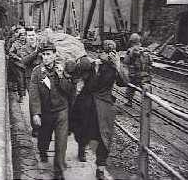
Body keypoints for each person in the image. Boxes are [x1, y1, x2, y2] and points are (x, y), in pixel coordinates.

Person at [29, 41, 74, 180]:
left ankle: (58, 171)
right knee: (44, 138)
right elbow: (34, 94)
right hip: (46, 111)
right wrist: (36, 113)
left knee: (61, 142)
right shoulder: (37, 72)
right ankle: (43, 151)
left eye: (48, 54)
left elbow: (70, 91)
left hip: (61, 111)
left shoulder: (62, 69)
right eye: (43, 54)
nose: (46, 57)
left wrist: (61, 77)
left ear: (55, 55)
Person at [72, 50, 117, 179]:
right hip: (88, 105)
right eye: (106, 51)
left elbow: (124, 81)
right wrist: (95, 68)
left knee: (105, 137)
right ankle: (82, 148)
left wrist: (118, 65)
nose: (108, 55)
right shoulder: (91, 65)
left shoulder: (114, 67)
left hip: (104, 107)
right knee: (83, 131)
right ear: (100, 53)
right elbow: (89, 85)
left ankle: (100, 168)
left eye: (111, 52)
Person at [124, 33, 152, 107]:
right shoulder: (146, 50)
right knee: (145, 88)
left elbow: (126, 61)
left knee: (131, 87)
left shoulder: (131, 50)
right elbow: (150, 62)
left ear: (131, 41)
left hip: (134, 73)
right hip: (145, 73)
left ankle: (129, 102)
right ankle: (147, 104)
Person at [7, 28, 27, 102]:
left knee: (26, 80)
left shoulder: (28, 43)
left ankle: (25, 93)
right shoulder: (15, 44)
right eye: (21, 35)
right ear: (19, 36)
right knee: (20, 80)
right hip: (18, 64)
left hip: (26, 64)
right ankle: (21, 95)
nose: (23, 37)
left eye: (24, 35)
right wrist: (18, 58)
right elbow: (11, 53)